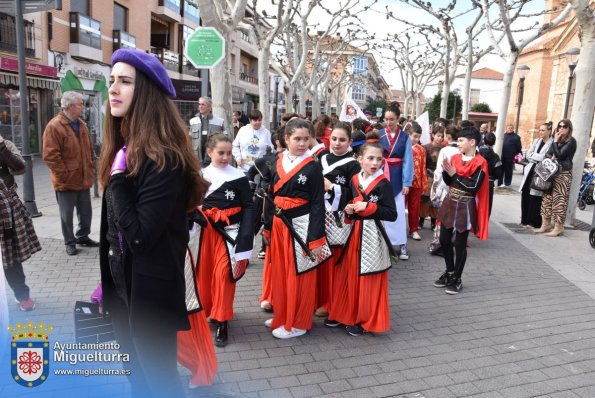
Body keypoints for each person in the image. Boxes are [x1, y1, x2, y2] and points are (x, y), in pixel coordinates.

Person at [98, 48, 209, 397]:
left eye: (125, 81)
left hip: (151, 298)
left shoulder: (164, 160)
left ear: (145, 92)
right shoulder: (127, 148)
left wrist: (117, 181)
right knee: (138, 383)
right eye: (112, 80)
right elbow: (115, 234)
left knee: (159, 384)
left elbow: (141, 238)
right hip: (124, 292)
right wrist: (108, 283)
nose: (113, 89)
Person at [262, 118, 331, 339]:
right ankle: (283, 315)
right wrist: (267, 226)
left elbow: (318, 203)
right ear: (286, 139)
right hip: (280, 224)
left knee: (300, 274)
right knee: (280, 273)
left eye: (306, 139)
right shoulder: (276, 161)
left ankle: (298, 322)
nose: (302, 143)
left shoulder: (312, 166)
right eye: (297, 139)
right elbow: (270, 196)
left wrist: (316, 237)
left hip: (302, 224)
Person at [326, 136, 397, 336]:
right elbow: (349, 203)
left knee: (367, 277)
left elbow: (392, 214)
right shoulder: (355, 179)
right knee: (347, 273)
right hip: (353, 233)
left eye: (379, 159)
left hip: (373, 235)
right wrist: (349, 209)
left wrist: (370, 207)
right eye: (370, 158)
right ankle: (344, 313)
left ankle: (364, 320)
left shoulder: (383, 184)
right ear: (360, 159)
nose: (375, 163)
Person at [196, 134, 254, 347]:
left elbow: (249, 206)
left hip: (231, 231)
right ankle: (204, 311)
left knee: (224, 274)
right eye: (221, 152)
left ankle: (222, 319)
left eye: (229, 153)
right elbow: (191, 203)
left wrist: (246, 236)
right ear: (209, 152)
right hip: (205, 233)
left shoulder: (238, 176)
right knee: (204, 275)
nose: (225, 157)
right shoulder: (201, 175)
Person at [434, 126, 489, 295]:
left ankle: (457, 278)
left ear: (472, 142)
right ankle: (450, 272)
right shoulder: (455, 158)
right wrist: (446, 172)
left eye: (460, 140)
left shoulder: (481, 162)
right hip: (450, 201)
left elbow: (473, 187)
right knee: (443, 240)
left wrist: (455, 174)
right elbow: (449, 182)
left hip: (466, 204)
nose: (457, 143)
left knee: (459, 244)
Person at [42, 91, 98, 256]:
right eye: (80, 104)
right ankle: (69, 242)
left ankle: (83, 237)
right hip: (66, 181)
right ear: (71, 106)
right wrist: (64, 175)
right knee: (66, 216)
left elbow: (89, 149)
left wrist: (91, 166)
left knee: (86, 213)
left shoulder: (81, 124)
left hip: (83, 178)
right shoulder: (54, 126)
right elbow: (50, 156)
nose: (83, 106)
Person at [315, 122, 360, 318]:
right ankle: (315, 297)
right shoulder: (321, 157)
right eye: (334, 139)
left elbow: (356, 193)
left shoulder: (354, 164)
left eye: (342, 140)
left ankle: (331, 301)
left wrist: (332, 187)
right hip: (318, 214)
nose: (337, 143)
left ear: (350, 141)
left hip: (338, 218)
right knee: (316, 256)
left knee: (334, 261)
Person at [0, 135, 40, 311]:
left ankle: (22, 294)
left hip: (6, 207)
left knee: (10, 255)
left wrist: (1, 147)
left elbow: (20, 167)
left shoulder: (5, 145)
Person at [379, 106, 413, 260]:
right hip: (381, 175)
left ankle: (402, 243)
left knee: (398, 211)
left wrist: (407, 182)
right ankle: (383, 243)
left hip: (398, 177)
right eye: (386, 119)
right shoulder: (379, 135)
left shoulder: (405, 137)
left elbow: (408, 161)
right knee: (381, 211)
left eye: (392, 119)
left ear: (398, 119)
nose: (388, 122)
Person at [535, 119, 577, 237]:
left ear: (569, 129)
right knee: (547, 198)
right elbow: (548, 155)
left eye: (565, 126)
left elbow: (560, 155)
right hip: (551, 172)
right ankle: (545, 225)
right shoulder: (556, 140)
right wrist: (555, 148)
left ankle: (558, 227)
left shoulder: (571, 141)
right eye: (560, 126)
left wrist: (555, 143)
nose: (561, 128)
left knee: (560, 200)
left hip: (563, 173)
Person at [519, 122, 553, 228]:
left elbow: (546, 158)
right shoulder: (537, 141)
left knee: (536, 197)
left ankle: (533, 222)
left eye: (543, 130)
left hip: (542, 172)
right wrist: (536, 156)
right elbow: (528, 154)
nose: (540, 132)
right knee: (526, 193)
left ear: (549, 131)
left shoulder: (552, 144)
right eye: (540, 130)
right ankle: (524, 219)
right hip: (531, 169)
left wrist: (535, 156)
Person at [406, 122, 428, 241]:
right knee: (399, 207)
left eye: (418, 137)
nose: (416, 139)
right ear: (408, 134)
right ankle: (397, 230)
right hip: (403, 183)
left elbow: (423, 167)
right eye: (414, 136)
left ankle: (414, 229)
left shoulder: (421, 150)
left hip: (416, 183)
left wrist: (424, 184)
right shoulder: (402, 147)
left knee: (415, 208)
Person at [420, 125, 444, 230]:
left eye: (442, 136)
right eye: (438, 135)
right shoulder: (425, 148)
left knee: (436, 199)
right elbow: (422, 164)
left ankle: (434, 222)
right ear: (433, 135)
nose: (440, 138)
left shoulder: (444, 149)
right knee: (424, 199)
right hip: (427, 175)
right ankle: (420, 221)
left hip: (439, 177)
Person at [189, 96, 225, 165]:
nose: (200, 106)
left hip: (213, 159)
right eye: (199, 104)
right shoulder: (193, 121)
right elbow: (189, 140)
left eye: (203, 104)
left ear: (209, 107)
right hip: (196, 159)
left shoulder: (219, 122)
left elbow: (224, 140)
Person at [478, 132, 503, 217]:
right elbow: (498, 173)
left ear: (483, 141)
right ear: (494, 142)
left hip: (475, 182)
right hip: (489, 182)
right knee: (487, 206)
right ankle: (483, 227)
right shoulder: (496, 157)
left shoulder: (476, 154)